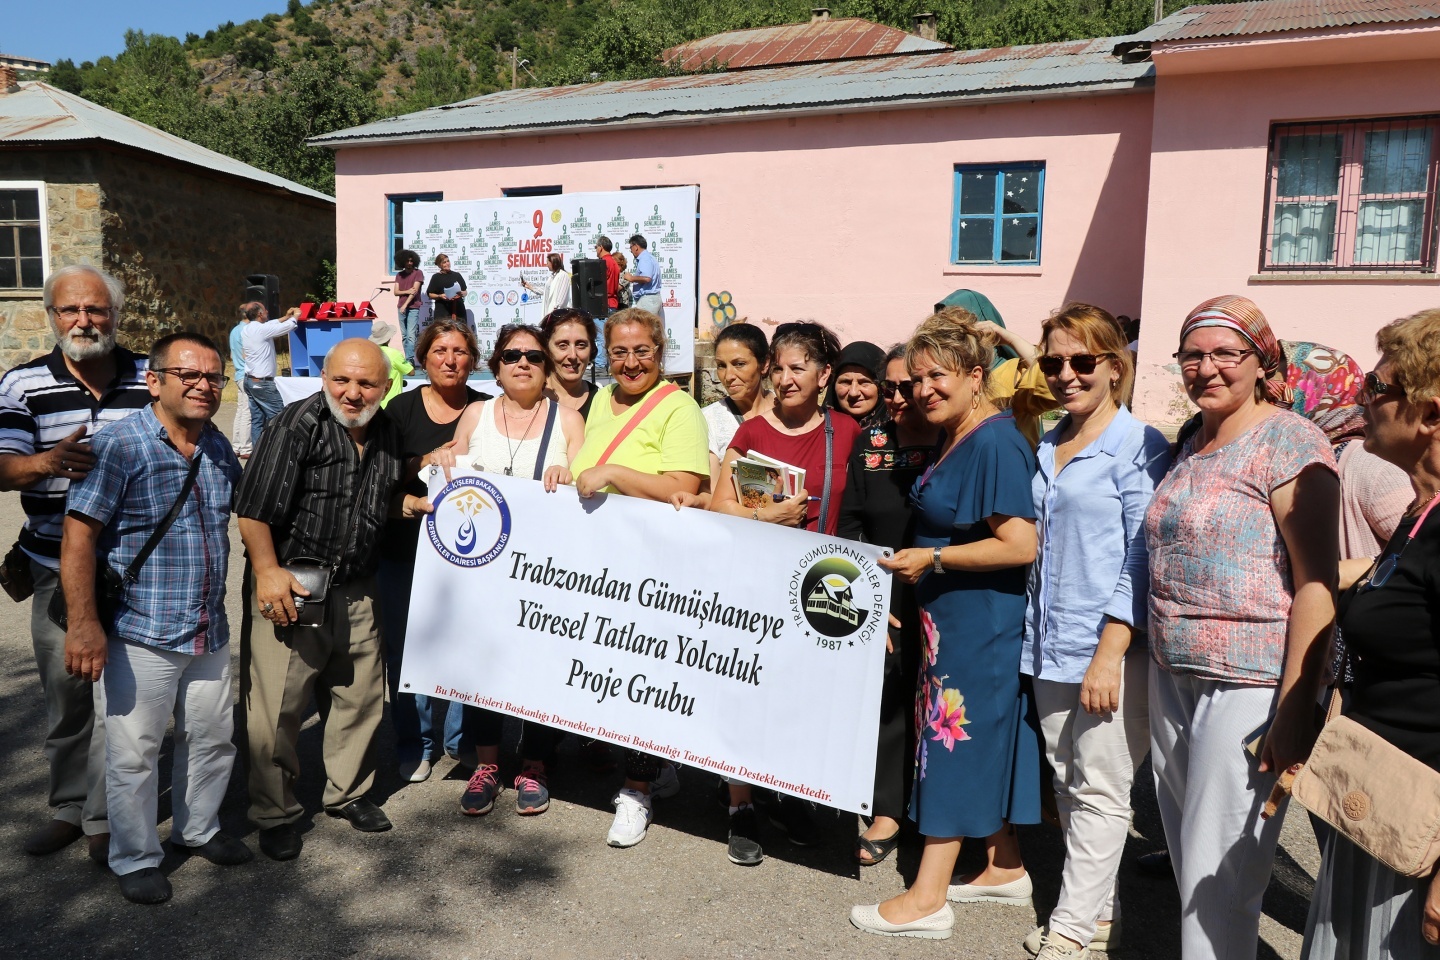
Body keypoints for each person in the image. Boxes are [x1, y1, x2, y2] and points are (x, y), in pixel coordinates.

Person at [1145, 295, 1338, 960]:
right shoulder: (1189, 445)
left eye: (1226, 353)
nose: (1207, 367)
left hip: (1250, 684)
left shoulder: (1289, 440)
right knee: (1188, 862)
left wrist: (1294, 709)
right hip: (1173, 674)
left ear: (1262, 362)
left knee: (1219, 872)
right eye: (1193, 355)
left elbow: (1318, 583)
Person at [850, 307, 1041, 941]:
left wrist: (933, 557)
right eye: (918, 378)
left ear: (976, 375)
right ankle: (1005, 865)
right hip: (953, 619)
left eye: (940, 377)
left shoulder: (993, 440)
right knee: (974, 738)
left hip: (977, 621)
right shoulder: (960, 432)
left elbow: (1019, 544)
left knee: (952, 743)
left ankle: (929, 896)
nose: (924, 389)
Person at [62, 333, 249, 905]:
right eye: (188, 374)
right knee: (135, 752)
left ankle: (199, 829)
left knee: (213, 739)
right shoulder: (120, 444)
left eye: (214, 378)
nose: (203, 386)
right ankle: (136, 856)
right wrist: (84, 623)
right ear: (155, 381)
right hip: (139, 630)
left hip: (206, 628)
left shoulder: (216, 445)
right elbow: (79, 537)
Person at [1021, 304, 1171, 960]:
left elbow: (1143, 551)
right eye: (1053, 361)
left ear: (1115, 367)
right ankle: (1099, 909)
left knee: (1104, 789)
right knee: (1064, 777)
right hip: (1046, 639)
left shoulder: (1140, 445)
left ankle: (1073, 932)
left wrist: (1112, 652)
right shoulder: (1050, 441)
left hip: (1107, 645)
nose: (1066, 374)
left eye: (1082, 361)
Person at [237, 338, 421, 862]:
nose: (353, 392)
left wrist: (406, 504)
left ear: (385, 388)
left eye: (366, 383)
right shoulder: (297, 426)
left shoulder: (387, 430)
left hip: (358, 585)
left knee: (360, 695)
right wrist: (267, 572)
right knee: (278, 706)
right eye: (343, 380)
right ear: (324, 377)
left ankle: (349, 794)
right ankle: (274, 813)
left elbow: (371, 499)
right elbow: (252, 508)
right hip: (294, 582)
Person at [1301, 308, 1440, 960]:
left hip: (1421, 830)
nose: (1359, 403)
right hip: (1377, 801)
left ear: (1431, 413)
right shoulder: (1420, 512)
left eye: (1377, 390)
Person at [0, 264, 149, 862]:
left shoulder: (149, 376)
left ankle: (104, 816)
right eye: (71, 311)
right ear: (52, 316)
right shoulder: (21, 384)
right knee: (67, 692)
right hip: (52, 563)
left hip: (139, 565)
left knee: (124, 698)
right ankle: (68, 806)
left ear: (116, 314)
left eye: (97, 310)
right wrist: (45, 464)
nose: (84, 321)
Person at [709, 321, 859, 864]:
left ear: (823, 376)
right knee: (744, 690)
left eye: (801, 368)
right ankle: (740, 803)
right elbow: (717, 504)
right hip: (754, 582)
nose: (788, 378)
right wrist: (764, 513)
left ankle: (787, 791)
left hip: (819, 588)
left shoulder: (846, 430)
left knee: (799, 697)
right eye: (781, 367)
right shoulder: (751, 432)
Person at [569, 307, 709, 847]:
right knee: (613, 674)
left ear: (660, 352)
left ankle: (637, 792)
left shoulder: (680, 408)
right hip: (604, 560)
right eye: (620, 352)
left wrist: (616, 475)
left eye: (642, 351)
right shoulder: (602, 400)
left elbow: (682, 484)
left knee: (644, 678)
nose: (630, 362)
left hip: (654, 566)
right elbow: (585, 462)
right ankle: (656, 767)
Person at [438, 324, 585, 818]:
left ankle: (536, 764)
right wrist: (439, 460)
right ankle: (487, 766)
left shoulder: (567, 419)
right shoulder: (476, 413)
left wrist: (571, 477)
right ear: (496, 366)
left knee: (540, 670)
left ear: (546, 369)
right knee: (482, 669)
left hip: (545, 572)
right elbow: (446, 473)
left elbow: (590, 491)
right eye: (511, 355)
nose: (522, 363)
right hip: (482, 569)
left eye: (533, 356)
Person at [376, 319, 490, 784]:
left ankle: (461, 740)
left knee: (467, 646)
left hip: (470, 557)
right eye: (440, 350)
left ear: (474, 360)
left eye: (460, 351)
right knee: (405, 652)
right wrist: (423, 461)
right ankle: (414, 743)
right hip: (404, 550)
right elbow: (377, 476)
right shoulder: (400, 410)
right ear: (423, 358)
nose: (450, 359)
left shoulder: (488, 409)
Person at [837, 343, 938, 867]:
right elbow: (850, 524)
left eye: (909, 386)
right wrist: (866, 601)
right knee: (892, 702)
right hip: (886, 594)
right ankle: (889, 810)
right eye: (892, 387)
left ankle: (940, 813)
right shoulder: (870, 441)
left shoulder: (954, 437)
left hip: (949, 590)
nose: (900, 398)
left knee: (946, 707)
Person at [701, 322, 773, 486]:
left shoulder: (787, 410)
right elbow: (713, 492)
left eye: (739, 364)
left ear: (764, 364)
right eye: (721, 366)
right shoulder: (708, 420)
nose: (728, 376)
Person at [240, 301, 299, 443]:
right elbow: (288, 327)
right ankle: (279, 450)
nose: (267, 312)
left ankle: (258, 454)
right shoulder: (261, 330)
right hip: (262, 383)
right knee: (279, 417)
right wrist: (295, 316)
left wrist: (285, 316)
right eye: (265, 310)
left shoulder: (248, 329)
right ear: (260, 314)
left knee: (257, 421)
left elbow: (271, 324)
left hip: (250, 381)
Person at [541, 307, 599, 421]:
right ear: (546, 349)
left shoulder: (602, 402)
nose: (572, 355)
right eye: (562, 345)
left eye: (581, 345)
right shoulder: (528, 400)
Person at [830, 340, 887, 429]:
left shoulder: (902, 433)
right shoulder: (819, 431)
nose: (853, 393)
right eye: (845, 382)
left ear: (881, 387)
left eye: (864, 382)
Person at [369, 321, 413, 407]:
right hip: (392, 403)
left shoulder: (371, 352)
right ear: (388, 338)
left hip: (374, 403)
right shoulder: (395, 354)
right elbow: (411, 372)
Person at [394, 249, 425, 364]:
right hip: (401, 307)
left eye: (411, 261)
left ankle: (409, 360)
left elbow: (414, 292)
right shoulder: (399, 275)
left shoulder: (418, 273)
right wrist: (406, 291)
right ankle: (408, 358)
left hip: (413, 307)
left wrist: (405, 305)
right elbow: (396, 292)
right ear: (402, 262)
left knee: (411, 334)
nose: (409, 263)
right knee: (404, 335)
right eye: (407, 261)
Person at [229, 308, 252, 458]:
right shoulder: (247, 331)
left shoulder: (235, 330)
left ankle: (236, 445)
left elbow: (232, 354)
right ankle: (245, 448)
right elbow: (247, 353)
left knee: (241, 411)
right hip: (246, 373)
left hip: (238, 372)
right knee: (247, 413)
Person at [624, 234, 663, 319]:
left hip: (648, 300)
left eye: (631, 247)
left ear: (636, 247)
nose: (631, 250)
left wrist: (631, 278)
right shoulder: (649, 257)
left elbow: (647, 278)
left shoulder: (645, 258)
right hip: (650, 299)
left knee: (644, 328)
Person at [522, 253, 570, 318]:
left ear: (553, 262)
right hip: (550, 315)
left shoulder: (563, 275)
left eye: (547, 262)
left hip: (557, 316)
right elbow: (545, 290)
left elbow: (561, 299)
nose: (546, 265)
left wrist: (554, 313)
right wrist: (529, 287)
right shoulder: (552, 277)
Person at [425, 254, 467, 322]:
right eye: (444, 262)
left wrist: (461, 293)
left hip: (458, 310)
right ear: (439, 265)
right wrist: (440, 296)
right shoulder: (436, 277)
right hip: (442, 311)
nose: (447, 263)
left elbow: (465, 292)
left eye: (448, 261)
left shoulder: (457, 275)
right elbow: (430, 294)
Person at [595, 237, 620, 314]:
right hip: (612, 304)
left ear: (601, 247)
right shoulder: (614, 262)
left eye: (596, 247)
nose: (595, 250)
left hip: (605, 304)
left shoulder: (603, 263)